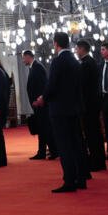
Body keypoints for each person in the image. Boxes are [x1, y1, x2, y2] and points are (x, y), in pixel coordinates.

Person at [34, 33, 85, 193]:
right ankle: (81, 178)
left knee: (64, 146)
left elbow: (52, 84)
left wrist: (43, 98)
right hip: (74, 109)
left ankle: (69, 180)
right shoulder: (75, 61)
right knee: (76, 144)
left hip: (60, 110)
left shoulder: (58, 61)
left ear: (56, 44)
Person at [75, 40, 106, 173]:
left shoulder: (86, 64)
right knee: (95, 133)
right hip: (93, 103)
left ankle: (96, 162)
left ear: (82, 49)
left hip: (89, 104)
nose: (76, 51)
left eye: (77, 49)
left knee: (92, 134)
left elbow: (82, 86)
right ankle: (99, 161)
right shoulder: (91, 62)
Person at [22, 50, 56, 160]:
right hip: (38, 104)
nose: (23, 60)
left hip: (41, 104)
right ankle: (49, 151)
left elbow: (43, 85)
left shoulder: (38, 67)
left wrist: (40, 99)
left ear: (28, 57)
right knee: (43, 128)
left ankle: (47, 151)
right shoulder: (34, 67)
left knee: (44, 128)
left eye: (23, 58)